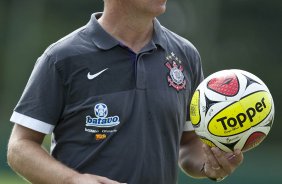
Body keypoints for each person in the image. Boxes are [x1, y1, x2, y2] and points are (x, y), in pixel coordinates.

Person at [7, 0, 243, 183]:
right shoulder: (61, 58)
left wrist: (208, 165)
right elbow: (19, 147)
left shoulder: (185, 55)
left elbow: (189, 142)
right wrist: (72, 180)